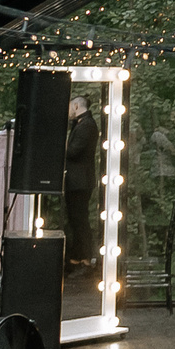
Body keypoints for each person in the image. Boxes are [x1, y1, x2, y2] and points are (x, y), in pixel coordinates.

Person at [63, 94, 99, 268]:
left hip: (81, 181)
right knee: (75, 219)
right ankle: (77, 255)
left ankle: (85, 255)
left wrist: (63, 146)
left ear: (76, 106)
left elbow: (74, 152)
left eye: (70, 107)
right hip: (77, 179)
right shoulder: (81, 124)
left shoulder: (87, 125)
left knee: (80, 219)